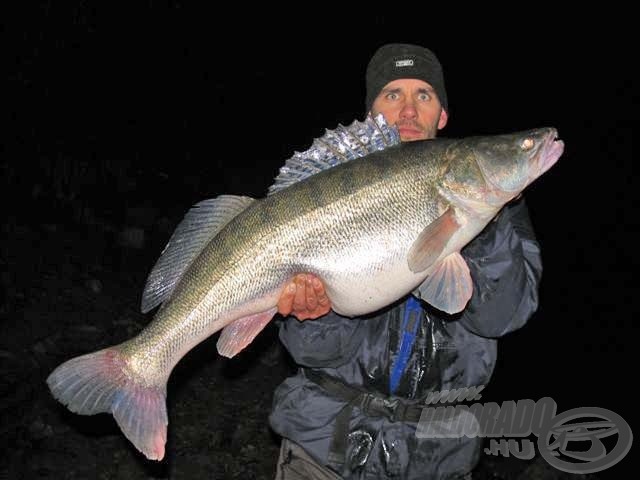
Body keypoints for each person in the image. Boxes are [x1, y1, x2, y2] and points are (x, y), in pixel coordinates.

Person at [269, 43, 542, 479]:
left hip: (437, 461)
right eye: (392, 94)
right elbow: (312, 352)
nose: (409, 111)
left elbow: (501, 317)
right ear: (371, 114)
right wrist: (315, 314)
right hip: (323, 452)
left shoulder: (499, 213)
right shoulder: (328, 193)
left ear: (443, 116)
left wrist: (482, 220)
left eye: (424, 95)